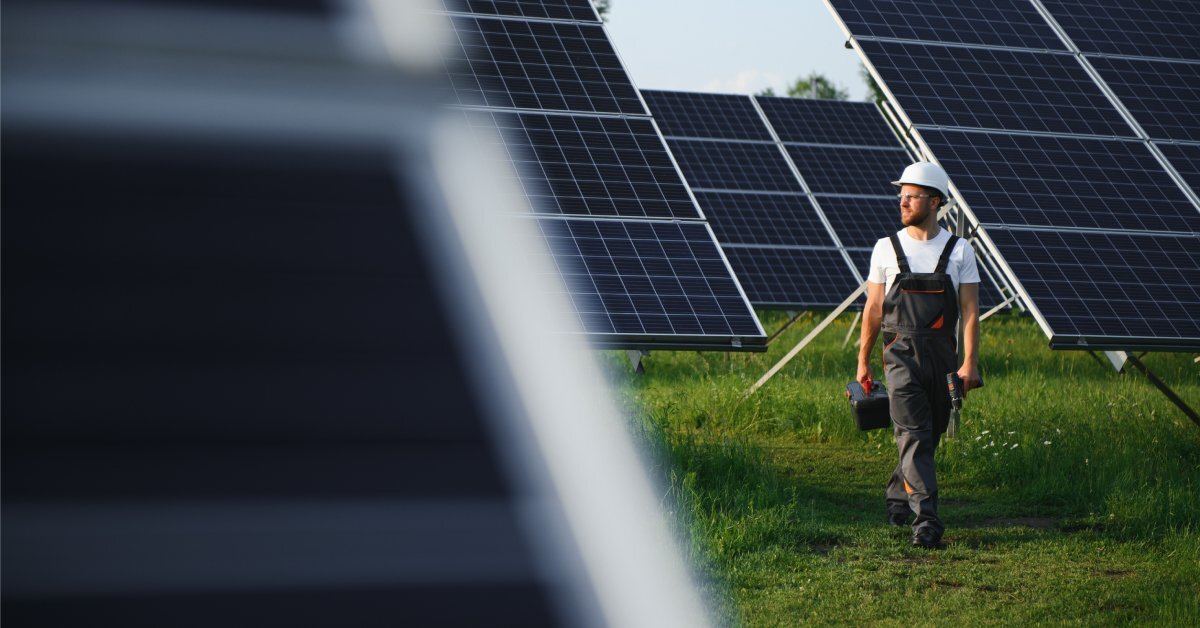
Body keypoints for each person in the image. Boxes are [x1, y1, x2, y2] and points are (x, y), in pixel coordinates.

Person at [856, 162, 982, 549]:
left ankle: (898, 494)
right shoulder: (886, 247)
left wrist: (970, 363)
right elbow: (874, 309)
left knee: (926, 437)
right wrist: (863, 360)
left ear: (935, 201)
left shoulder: (960, 251)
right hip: (900, 355)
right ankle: (927, 519)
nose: (902, 202)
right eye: (901, 195)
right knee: (912, 435)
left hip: (944, 356)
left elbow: (971, 312)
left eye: (911, 196)